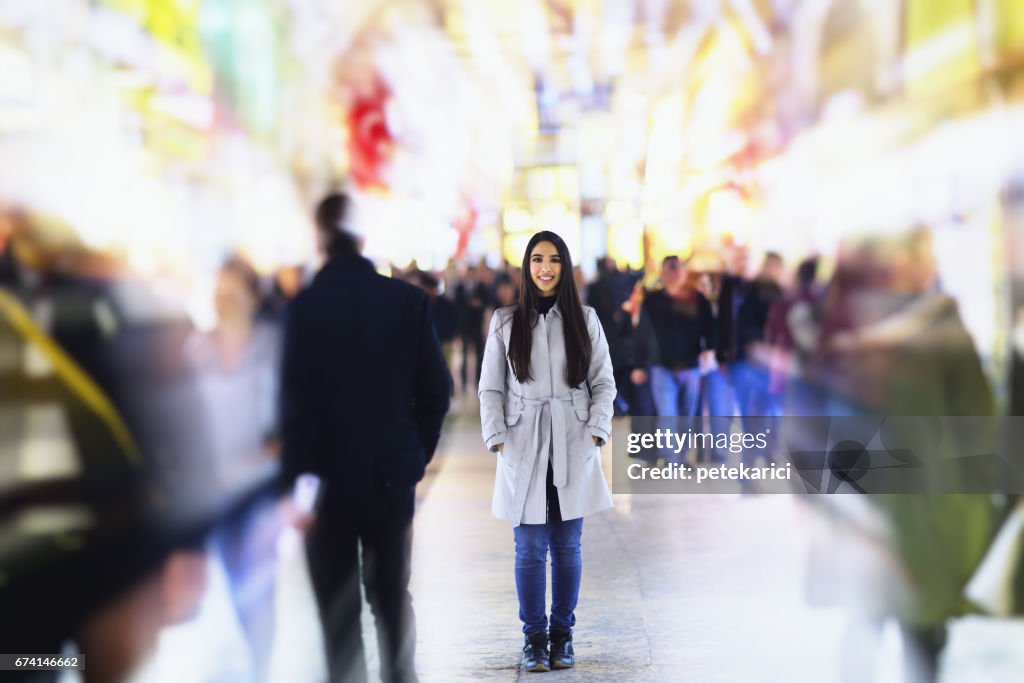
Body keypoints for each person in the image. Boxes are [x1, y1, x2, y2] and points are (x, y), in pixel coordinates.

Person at [279, 192, 452, 683]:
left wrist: (296, 487)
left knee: (339, 610)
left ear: (320, 237)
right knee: (392, 596)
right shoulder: (407, 302)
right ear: (361, 237)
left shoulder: (304, 309)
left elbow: (293, 408)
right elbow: (437, 390)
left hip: (326, 481)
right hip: (390, 476)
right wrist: (414, 455)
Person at [478, 230, 615, 672]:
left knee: (568, 546)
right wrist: (497, 436)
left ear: (565, 266)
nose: (545, 268)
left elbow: (603, 381)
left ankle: (563, 635)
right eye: (537, 259)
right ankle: (534, 638)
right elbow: (489, 387)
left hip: (573, 441)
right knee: (530, 548)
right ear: (526, 266)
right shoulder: (505, 321)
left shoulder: (585, 319)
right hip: (523, 443)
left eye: (554, 260)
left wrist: (596, 431)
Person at [186, 256, 283, 681]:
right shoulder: (196, 348)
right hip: (213, 488)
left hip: (262, 484)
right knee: (229, 583)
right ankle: (246, 661)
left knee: (259, 587)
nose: (223, 299)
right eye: (218, 290)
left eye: (231, 290)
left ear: (251, 295)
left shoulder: (271, 345)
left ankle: (259, 666)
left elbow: (291, 411)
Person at [631, 256, 714, 420]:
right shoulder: (653, 300)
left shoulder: (698, 299)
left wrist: (709, 351)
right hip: (662, 366)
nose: (674, 273)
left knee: (687, 417)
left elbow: (710, 327)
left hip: (690, 365)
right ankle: (669, 446)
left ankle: (681, 446)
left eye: (677, 268)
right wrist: (638, 365)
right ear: (662, 273)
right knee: (667, 417)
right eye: (669, 269)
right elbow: (642, 333)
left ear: (684, 272)